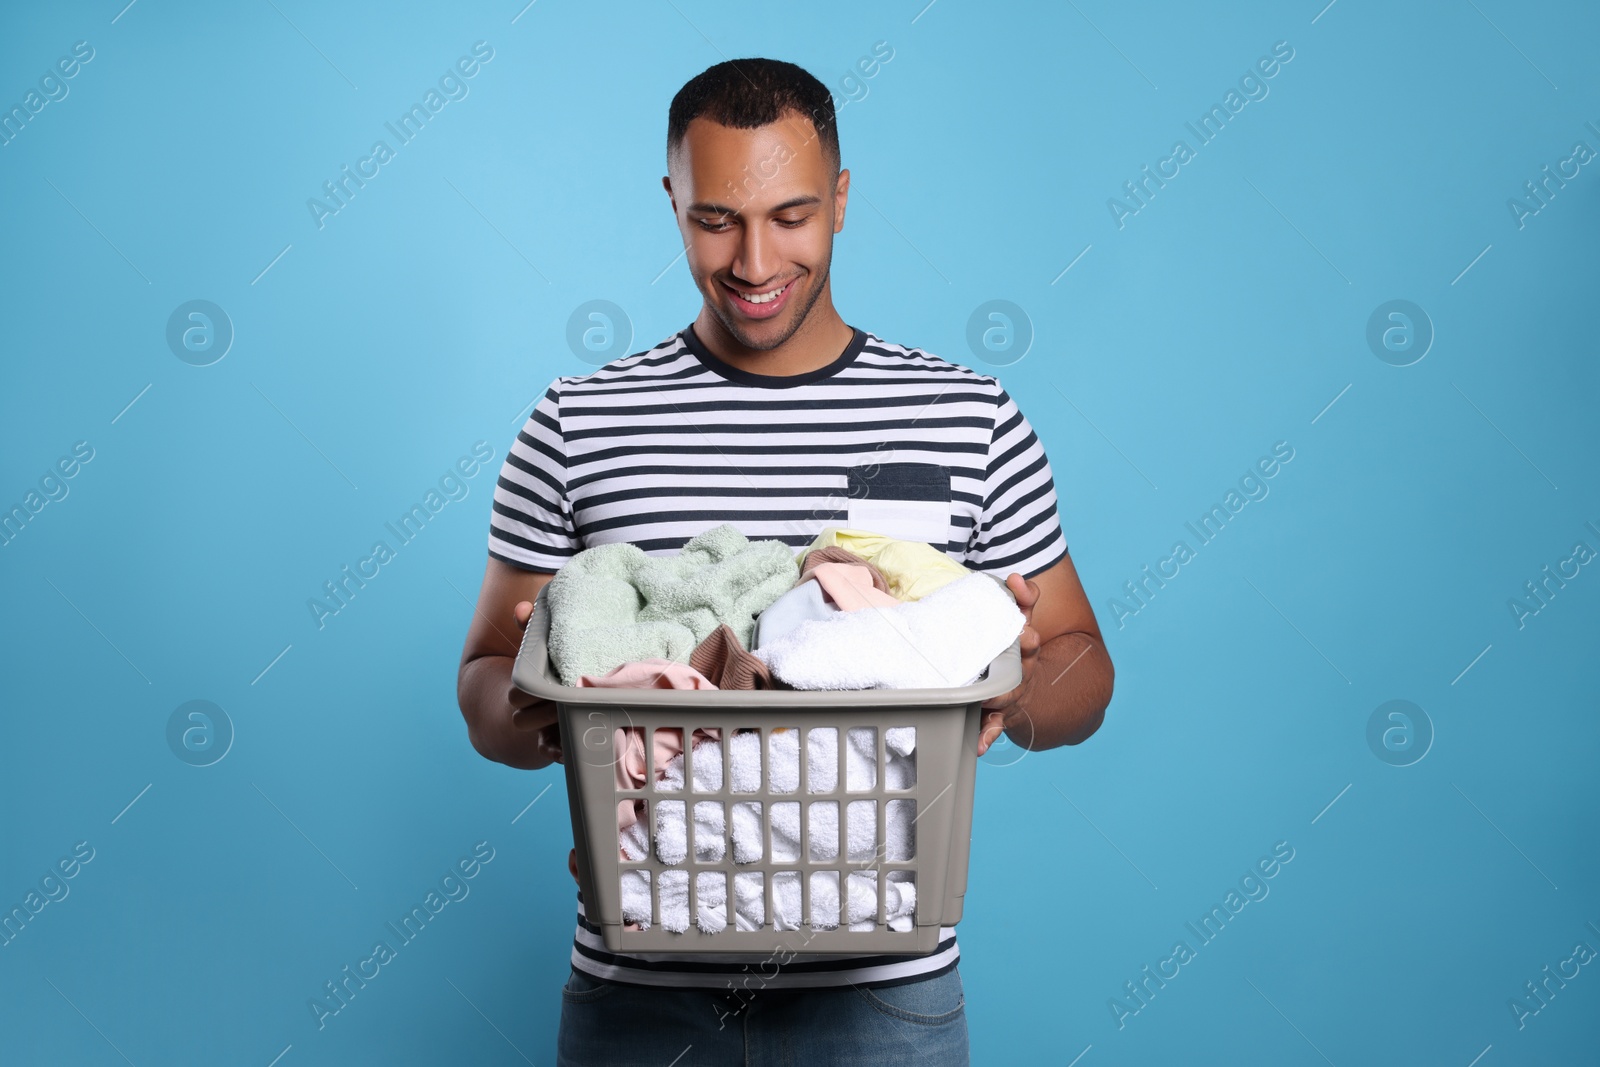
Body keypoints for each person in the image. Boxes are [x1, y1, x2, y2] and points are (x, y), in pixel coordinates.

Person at [456, 57, 1114, 1067]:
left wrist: (1005, 686)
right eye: (715, 217)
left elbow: (1080, 662)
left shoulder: (969, 415)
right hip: (641, 990)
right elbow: (482, 686)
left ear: (842, 201)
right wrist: (541, 705)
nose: (754, 260)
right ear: (671, 200)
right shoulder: (579, 422)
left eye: (791, 214)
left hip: (881, 998)